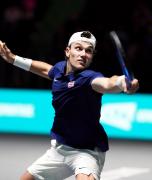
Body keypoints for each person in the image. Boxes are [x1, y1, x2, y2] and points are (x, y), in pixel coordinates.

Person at [0, 31, 139, 180]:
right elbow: (45, 69)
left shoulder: (89, 78)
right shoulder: (59, 70)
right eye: (78, 48)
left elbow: (108, 83)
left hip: (87, 152)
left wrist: (123, 83)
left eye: (88, 51)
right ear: (68, 51)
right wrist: (12, 58)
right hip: (60, 149)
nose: (83, 54)